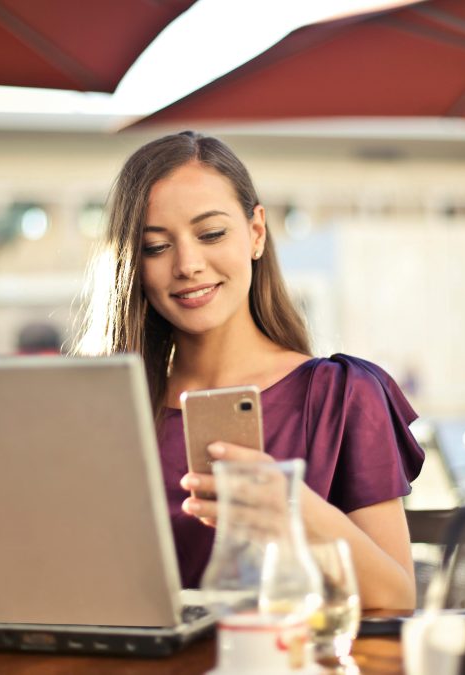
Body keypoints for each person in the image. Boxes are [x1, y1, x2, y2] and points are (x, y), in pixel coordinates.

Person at [74, 131, 424, 610]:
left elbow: (398, 596)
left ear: (256, 232)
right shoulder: (105, 410)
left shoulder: (342, 394)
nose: (188, 265)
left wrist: (291, 508)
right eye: (156, 246)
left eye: (211, 234)